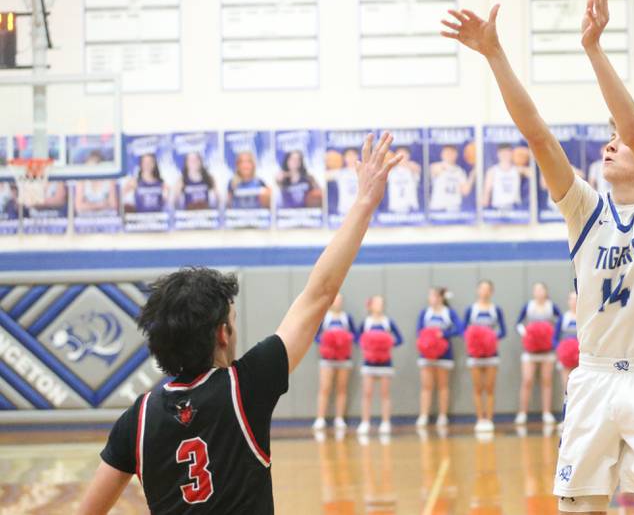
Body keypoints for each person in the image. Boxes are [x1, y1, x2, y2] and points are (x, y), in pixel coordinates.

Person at [442, 0, 634, 513]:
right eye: (611, 137)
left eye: (620, 141)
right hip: (594, 374)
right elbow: (537, 135)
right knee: (577, 507)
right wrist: (494, 54)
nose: (610, 142)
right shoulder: (585, 209)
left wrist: (594, 49)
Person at [77, 133, 402, 515]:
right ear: (221, 333)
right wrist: (364, 202)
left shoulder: (139, 418)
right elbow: (319, 294)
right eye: (231, 319)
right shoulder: (244, 388)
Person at [515, 282, 562, 426]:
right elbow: (518, 323)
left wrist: (551, 334)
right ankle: (522, 413)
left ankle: (546, 412)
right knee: (527, 380)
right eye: (536, 289)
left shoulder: (551, 306)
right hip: (530, 350)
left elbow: (561, 321)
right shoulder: (528, 306)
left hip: (547, 350)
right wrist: (526, 333)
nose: (539, 292)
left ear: (546, 292)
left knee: (546, 381)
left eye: (541, 289)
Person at [356, 295, 404, 436]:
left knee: (385, 394)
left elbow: (400, 339)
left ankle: (385, 422)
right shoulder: (366, 322)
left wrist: (387, 344)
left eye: (381, 303)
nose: (379, 305)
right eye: (377, 303)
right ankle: (365, 422)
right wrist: (368, 346)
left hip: (385, 363)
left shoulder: (388, 322)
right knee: (367, 394)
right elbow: (357, 338)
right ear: (370, 305)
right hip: (369, 363)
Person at [463, 279, 506, 433]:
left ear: (491, 292)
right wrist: (476, 339)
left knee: (490, 388)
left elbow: (503, 331)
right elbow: (464, 331)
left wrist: (490, 338)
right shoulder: (471, 310)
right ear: (477, 291)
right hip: (474, 355)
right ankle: (479, 419)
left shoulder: (496, 310)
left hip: (491, 354)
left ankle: (489, 419)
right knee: (477, 388)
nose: (484, 291)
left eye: (487, 289)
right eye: (482, 288)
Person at [416, 287, 462, 428]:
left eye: (436, 296)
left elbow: (460, 328)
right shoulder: (425, 313)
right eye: (431, 296)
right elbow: (419, 331)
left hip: (444, 354)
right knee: (426, 386)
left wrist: (443, 334)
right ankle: (423, 415)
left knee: (443, 386)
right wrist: (428, 340)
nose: (433, 299)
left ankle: (443, 416)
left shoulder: (449, 312)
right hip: (426, 354)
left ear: (441, 298)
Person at [313, 293, 359, 432]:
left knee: (341, 388)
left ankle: (339, 418)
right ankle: (320, 418)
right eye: (335, 299)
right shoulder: (324, 317)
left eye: (339, 300)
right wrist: (327, 341)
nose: (337, 302)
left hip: (344, 359)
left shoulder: (347, 318)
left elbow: (355, 336)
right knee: (325, 388)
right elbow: (316, 336)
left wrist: (343, 339)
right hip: (327, 359)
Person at [428, 145, 475, 212]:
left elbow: (465, 191)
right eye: (446, 153)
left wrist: (472, 174)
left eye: (451, 153)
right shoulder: (435, 166)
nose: (448, 155)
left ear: (456, 154)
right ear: (442, 154)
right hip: (438, 207)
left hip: (454, 207)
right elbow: (436, 170)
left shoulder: (460, 171)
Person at [482, 143, 529, 210]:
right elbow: (486, 196)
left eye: (507, 153)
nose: (505, 155)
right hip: (498, 210)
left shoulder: (518, 170)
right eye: (502, 153)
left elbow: (535, 175)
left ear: (511, 154)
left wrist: (527, 153)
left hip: (515, 210)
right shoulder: (492, 171)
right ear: (498, 154)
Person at [74, 151, 119, 216]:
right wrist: (101, 205)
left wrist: (88, 205)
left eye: (94, 167)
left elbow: (113, 205)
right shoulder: (82, 181)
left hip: (106, 217)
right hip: (86, 218)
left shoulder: (109, 180)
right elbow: (78, 206)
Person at [386, 146, 421, 214]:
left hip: (411, 209)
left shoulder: (414, 167)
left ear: (408, 155)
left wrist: (402, 162)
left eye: (404, 154)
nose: (401, 157)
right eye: (399, 154)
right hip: (395, 209)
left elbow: (416, 169)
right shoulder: (390, 170)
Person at [326, 148, 360, 216]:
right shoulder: (340, 173)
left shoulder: (364, 171)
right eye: (348, 156)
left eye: (353, 155)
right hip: (344, 211)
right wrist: (326, 160)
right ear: (344, 158)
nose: (351, 158)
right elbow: (323, 177)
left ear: (358, 156)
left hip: (360, 209)